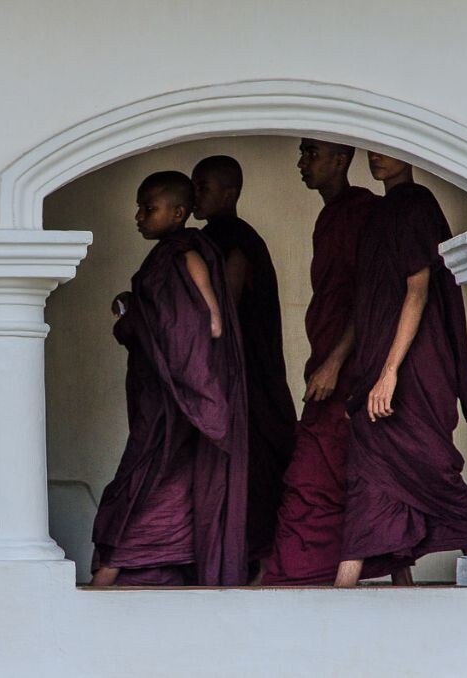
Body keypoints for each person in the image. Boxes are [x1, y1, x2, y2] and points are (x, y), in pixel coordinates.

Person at [91, 170, 249, 587]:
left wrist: (190, 382)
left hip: (180, 396)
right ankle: (150, 570)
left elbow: (210, 322)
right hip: (160, 395)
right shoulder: (164, 256)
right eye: (139, 208)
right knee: (146, 476)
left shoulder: (187, 253)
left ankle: (109, 574)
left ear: (179, 213)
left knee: (148, 480)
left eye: (149, 208)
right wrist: (134, 311)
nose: (139, 216)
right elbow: (164, 316)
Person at [334, 153, 467, 587]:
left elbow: (416, 289)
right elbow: (370, 302)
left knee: (429, 463)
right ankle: (388, 587)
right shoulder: (381, 212)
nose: (378, 157)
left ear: (411, 154)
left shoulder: (416, 203)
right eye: (371, 151)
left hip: (415, 367)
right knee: (371, 472)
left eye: (388, 149)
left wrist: (390, 372)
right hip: (378, 364)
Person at [258, 139, 378, 585]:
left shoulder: (362, 211)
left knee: (323, 471)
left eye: (312, 153)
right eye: (301, 153)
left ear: (341, 160)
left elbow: (367, 298)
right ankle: (298, 576)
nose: (301, 162)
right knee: (314, 474)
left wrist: (333, 363)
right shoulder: (330, 215)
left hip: (346, 370)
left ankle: (310, 578)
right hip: (325, 362)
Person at [192, 155, 297, 573]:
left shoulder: (236, 239)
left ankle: (254, 567)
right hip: (235, 378)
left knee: (255, 471)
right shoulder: (209, 239)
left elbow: (225, 306)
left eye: (204, 187)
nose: (195, 195)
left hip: (247, 379)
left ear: (229, 193)